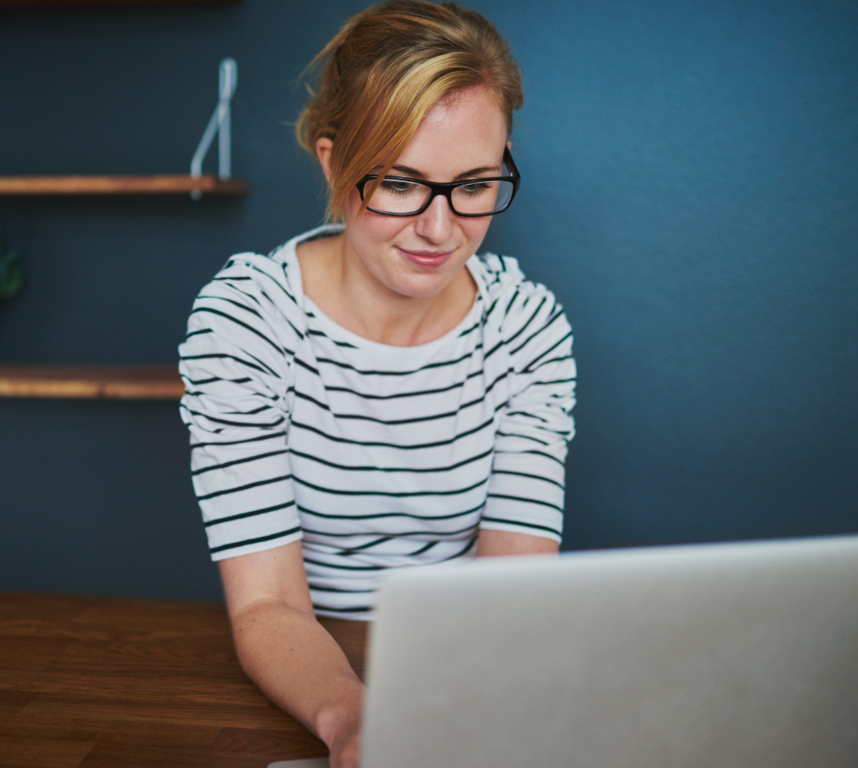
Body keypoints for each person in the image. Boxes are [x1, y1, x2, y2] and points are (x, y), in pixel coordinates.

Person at [177, 2, 576, 765]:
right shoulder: (245, 322)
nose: (438, 229)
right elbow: (269, 604)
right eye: (398, 183)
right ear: (333, 162)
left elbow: (509, 594)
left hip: (470, 671)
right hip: (308, 670)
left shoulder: (526, 326)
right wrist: (351, 720)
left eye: (474, 184)